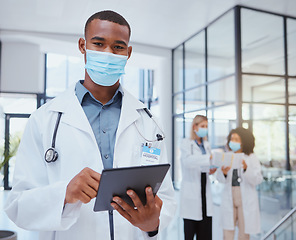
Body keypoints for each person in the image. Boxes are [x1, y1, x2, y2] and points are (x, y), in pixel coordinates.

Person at [4, 10, 176, 240]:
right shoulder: (44, 120)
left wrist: (153, 223)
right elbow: (17, 206)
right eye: (99, 43)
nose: (108, 53)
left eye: (118, 47)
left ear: (129, 52)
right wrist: (64, 194)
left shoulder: (149, 124)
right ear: (82, 46)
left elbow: (166, 197)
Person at [216, 127, 263, 240]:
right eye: (232, 138)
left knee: (244, 234)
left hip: (245, 199)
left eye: (237, 139)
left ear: (243, 141)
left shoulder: (251, 158)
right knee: (227, 233)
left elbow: (258, 179)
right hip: (230, 197)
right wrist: (223, 173)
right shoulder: (227, 156)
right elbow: (220, 179)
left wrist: (247, 169)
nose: (233, 141)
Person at [179, 115, 216, 240]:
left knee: (205, 235)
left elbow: (205, 165)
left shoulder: (206, 145)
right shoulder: (186, 143)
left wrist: (212, 168)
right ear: (195, 127)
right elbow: (188, 162)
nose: (205, 129)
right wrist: (208, 159)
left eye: (206, 126)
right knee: (189, 235)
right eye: (202, 126)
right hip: (192, 194)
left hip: (205, 193)